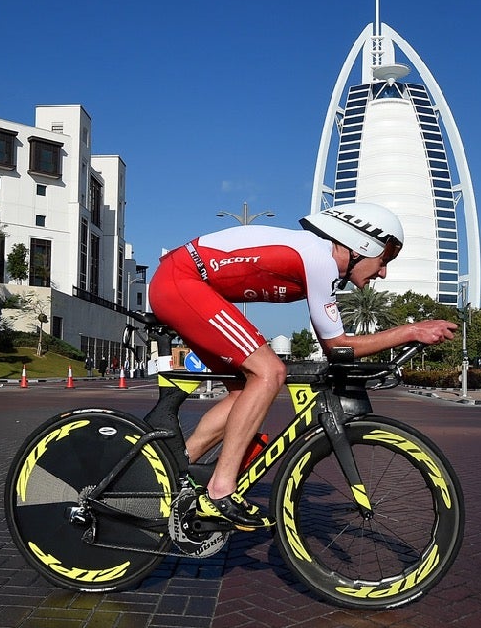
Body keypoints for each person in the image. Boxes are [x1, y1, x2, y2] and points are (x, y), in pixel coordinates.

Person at [148, 203, 457, 530]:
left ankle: (172, 472)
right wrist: (410, 331)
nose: (383, 272)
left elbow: (336, 347)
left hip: (187, 282)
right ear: (362, 246)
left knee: (245, 392)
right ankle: (220, 491)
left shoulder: (322, 264)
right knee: (270, 372)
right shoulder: (319, 258)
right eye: (384, 260)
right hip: (182, 279)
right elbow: (337, 346)